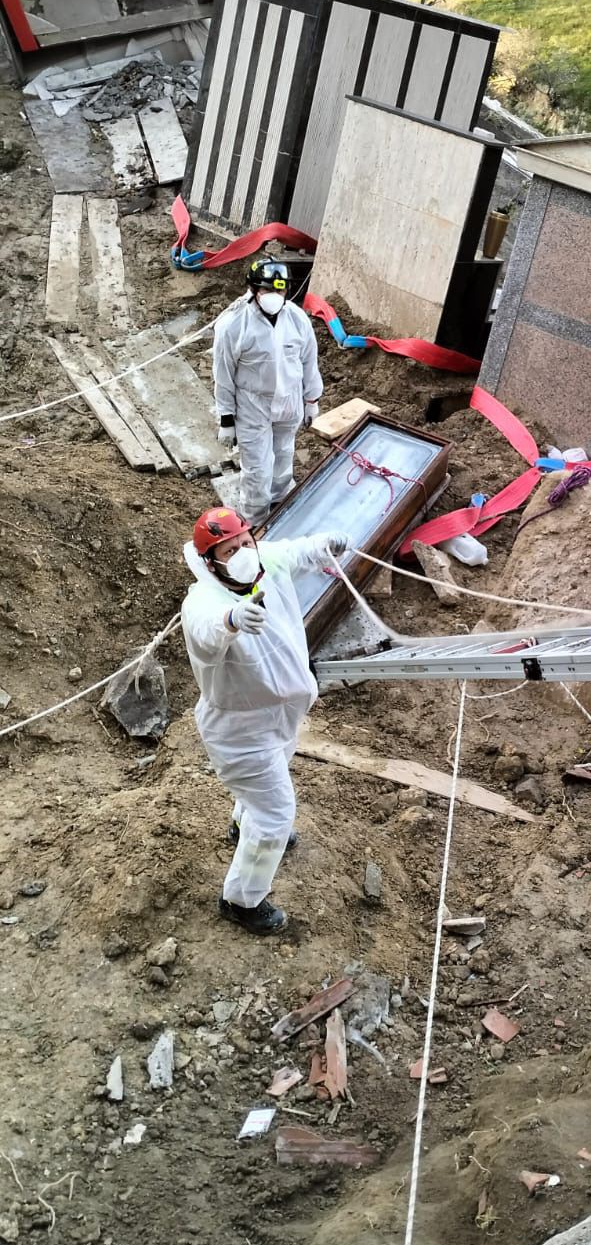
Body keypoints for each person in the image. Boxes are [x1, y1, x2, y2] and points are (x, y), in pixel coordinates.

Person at [181, 505, 350, 936]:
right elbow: (203, 631)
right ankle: (241, 900)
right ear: (210, 561)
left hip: (280, 716)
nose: (241, 552)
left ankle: (243, 824)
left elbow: (292, 552)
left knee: (261, 800)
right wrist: (231, 620)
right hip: (241, 732)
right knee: (276, 816)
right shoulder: (205, 600)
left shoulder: (262, 563)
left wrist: (322, 545)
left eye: (244, 542)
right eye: (228, 549)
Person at [213, 256, 323, 526]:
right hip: (253, 406)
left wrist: (311, 399)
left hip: (289, 401)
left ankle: (279, 501)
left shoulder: (297, 320)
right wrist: (227, 417)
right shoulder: (234, 325)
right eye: (267, 290)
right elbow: (223, 374)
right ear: (253, 290)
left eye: (280, 290)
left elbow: (309, 361)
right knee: (258, 470)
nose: (274, 295)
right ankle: (254, 521)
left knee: (283, 456)